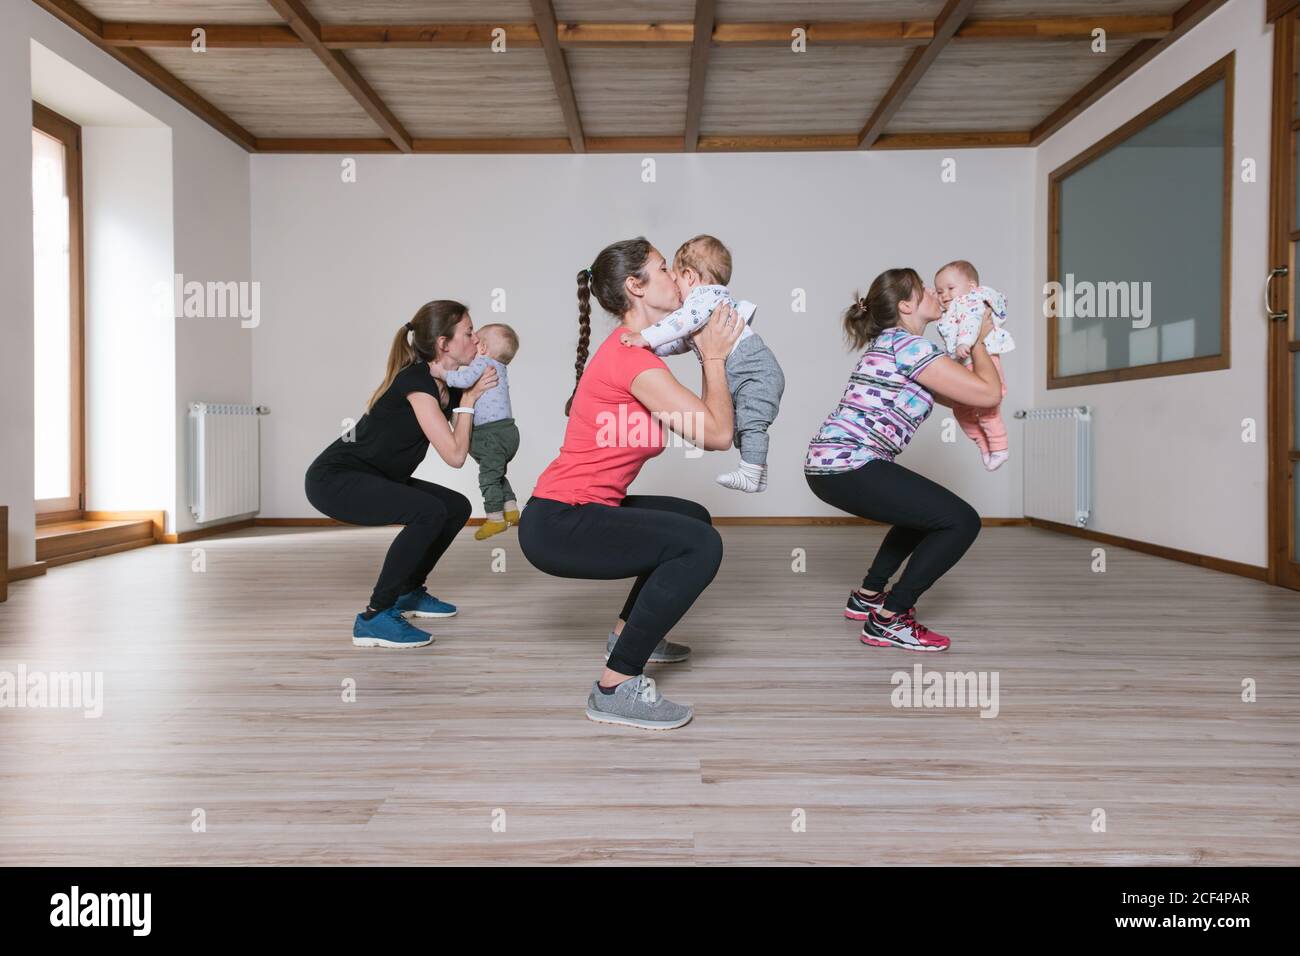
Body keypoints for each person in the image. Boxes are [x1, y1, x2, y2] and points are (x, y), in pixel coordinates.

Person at [518, 237, 742, 730]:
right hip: (558, 522)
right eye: (665, 269)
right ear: (635, 286)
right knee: (700, 545)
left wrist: (710, 349)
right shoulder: (632, 360)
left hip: (571, 510)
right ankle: (614, 687)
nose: (678, 277)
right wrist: (715, 358)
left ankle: (631, 635)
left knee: (690, 519)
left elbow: (708, 420)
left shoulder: (636, 351)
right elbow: (718, 434)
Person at [805, 267, 1003, 652]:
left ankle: (868, 597)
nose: (935, 293)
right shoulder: (912, 347)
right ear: (907, 305)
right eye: (925, 289)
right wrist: (978, 336)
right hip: (849, 464)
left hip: (831, 464)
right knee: (961, 521)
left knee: (925, 515)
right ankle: (891, 618)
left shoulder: (894, 344)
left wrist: (966, 340)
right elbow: (987, 394)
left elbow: (962, 394)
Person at [304, 300, 497, 648]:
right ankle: (374, 616)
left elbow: (469, 435)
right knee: (429, 511)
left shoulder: (447, 387)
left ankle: (408, 591)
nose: (475, 339)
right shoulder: (416, 382)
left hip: (377, 477)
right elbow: (455, 454)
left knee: (455, 506)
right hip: (335, 479)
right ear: (444, 344)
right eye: (469, 333)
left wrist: (477, 376)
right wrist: (468, 398)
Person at [620, 234, 785, 493]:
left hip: (754, 368)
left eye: (671, 272)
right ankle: (757, 471)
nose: (673, 283)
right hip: (749, 369)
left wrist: (645, 337)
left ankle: (751, 473)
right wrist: (654, 348)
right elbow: (683, 340)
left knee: (752, 422)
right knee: (746, 422)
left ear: (690, 276)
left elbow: (680, 324)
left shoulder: (704, 299)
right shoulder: (705, 307)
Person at [431, 322, 521, 539]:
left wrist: (440, 372)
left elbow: (464, 379)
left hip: (491, 434)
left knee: (488, 478)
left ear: (483, 348)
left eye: (476, 340)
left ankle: (494, 519)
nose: (472, 343)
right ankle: (510, 508)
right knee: (496, 473)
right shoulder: (500, 367)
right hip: (508, 433)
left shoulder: (483, 362)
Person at [934, 259, 1014, 471]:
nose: (945, 295)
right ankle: (982, 443)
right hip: (963, 363)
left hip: (982, 360)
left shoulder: (972, 302)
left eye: (951, 288)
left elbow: (972, 323)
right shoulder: (949, 312)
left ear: (971, 287)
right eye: (939, 291)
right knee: (961, 410)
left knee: (987, 409)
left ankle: (999, 447)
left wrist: (964, 342)